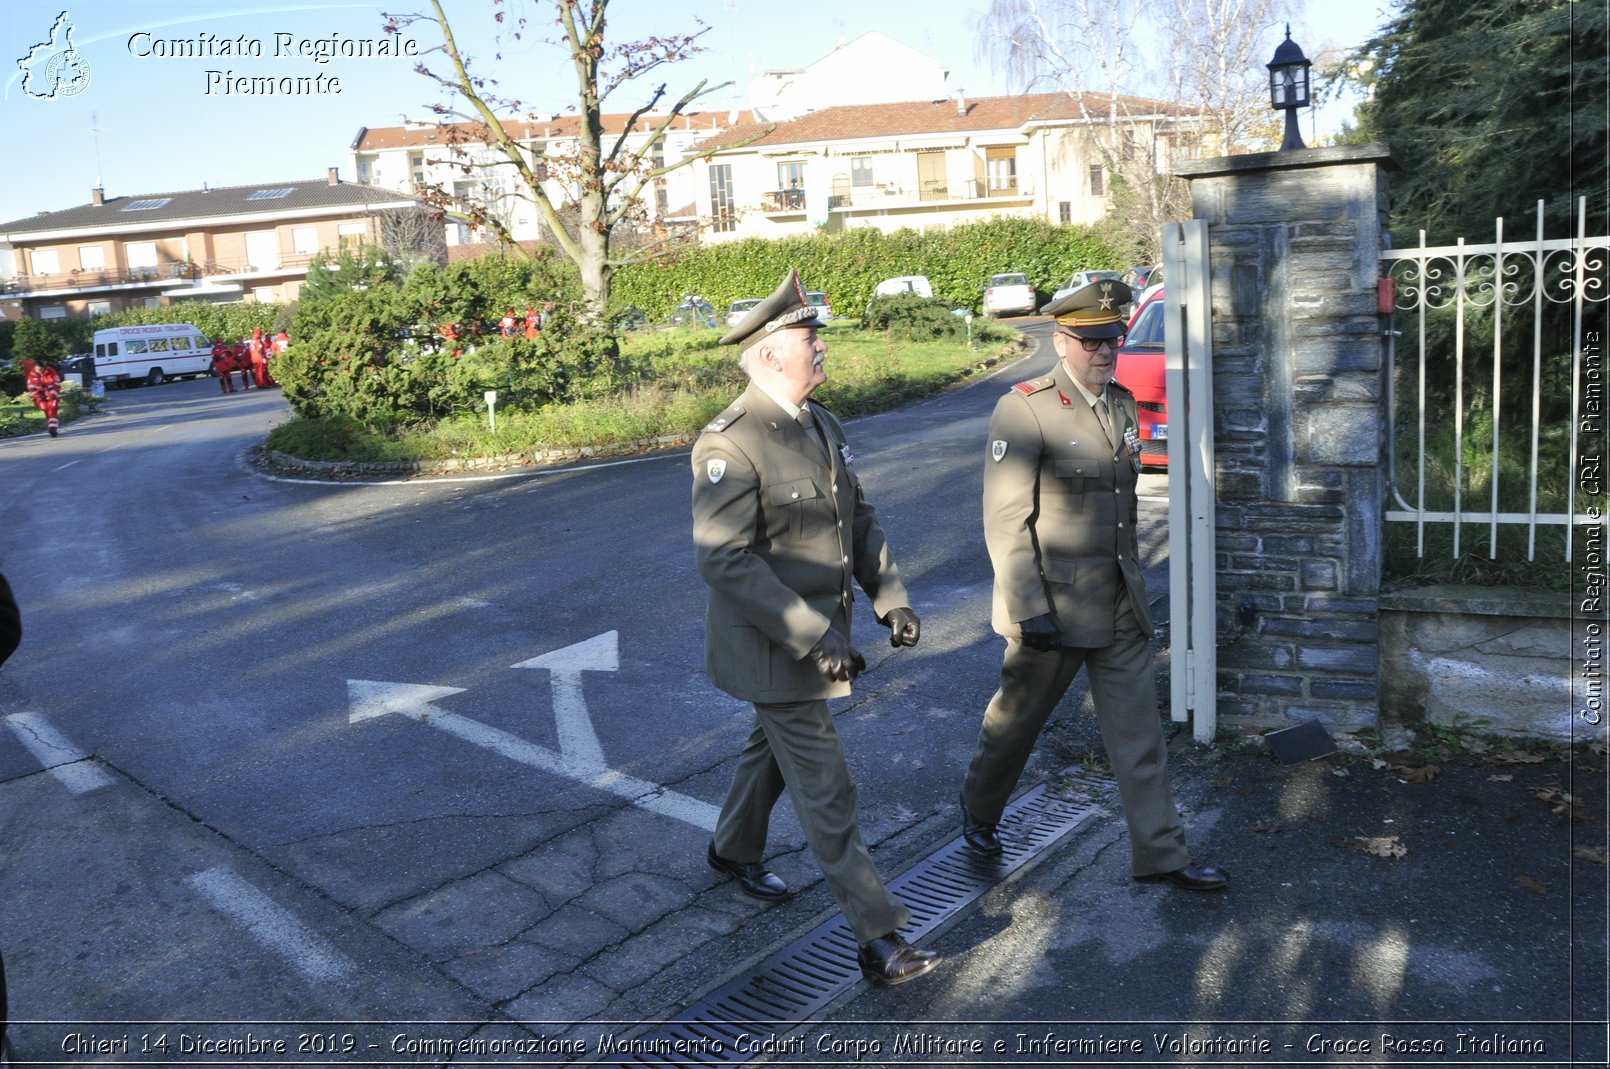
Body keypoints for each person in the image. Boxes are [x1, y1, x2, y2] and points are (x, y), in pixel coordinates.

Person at [691, 269, 940, 986]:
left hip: (819, 637)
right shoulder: (729, 444)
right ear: (770, 354)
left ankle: (733, 849)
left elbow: (856, 518)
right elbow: (724, 559)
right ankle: (879, 937)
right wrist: (813, 632)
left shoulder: (821, 423)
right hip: (777, 647)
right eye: (809, 337)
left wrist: (890, 595)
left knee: (769, 751)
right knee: (828, 789)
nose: (822, 347)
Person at [957, 278, 1229, 892]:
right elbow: (1007, 518)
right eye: (1090, 340)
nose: (1104, 350)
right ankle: (979, 809)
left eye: (1112, 337)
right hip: (1051, 609)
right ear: (1062, 341)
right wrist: (1029, 609)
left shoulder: (1123, 403)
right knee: (1015, 724)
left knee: (1140, 736)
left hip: (1117, 603)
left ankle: (1162, 856)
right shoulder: (1024, 408)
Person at [22, 359, 62, 438]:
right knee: (45, 409)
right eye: (38, 369)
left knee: (52, 409)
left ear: (44, 368)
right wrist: (37, 396)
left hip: (52, 395)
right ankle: (50, 424)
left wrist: (52, 393)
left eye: (41, 369)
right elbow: (31, 388)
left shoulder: (51, 371)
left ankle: (53, 429)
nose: (39, 371)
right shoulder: (32, 374)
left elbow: (57, 383)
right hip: (40, 396)